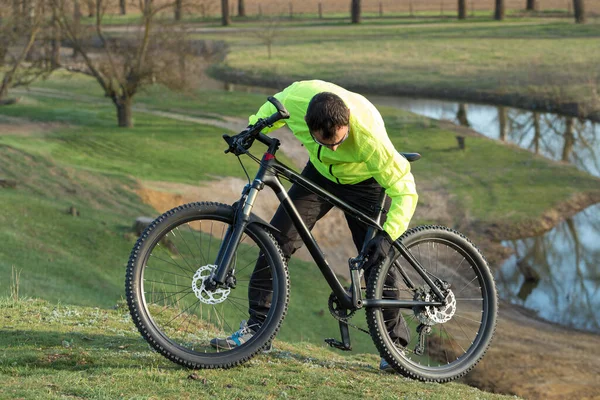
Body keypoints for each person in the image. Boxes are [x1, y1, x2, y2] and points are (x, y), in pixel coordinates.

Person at [211, 80, 418, 371]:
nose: (333, 147)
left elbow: (406, 190)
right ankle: (258, 331)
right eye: (325, 142)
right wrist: (252, 129)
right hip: (320, 177)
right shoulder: (297, 99)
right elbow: (274, 107)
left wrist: (388, 236)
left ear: (347, 122)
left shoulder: (370, 138)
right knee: (276, 241)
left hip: (366, 183)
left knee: (377, 261)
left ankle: (394, 349)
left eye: (339, 142)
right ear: (308, 124)